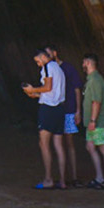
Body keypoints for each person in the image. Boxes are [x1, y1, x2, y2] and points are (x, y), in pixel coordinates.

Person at [22, 48, 67, 189]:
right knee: (59, 145)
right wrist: (34, 95)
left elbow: (47, 87)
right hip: (60, 109)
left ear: (43, 57)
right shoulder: (59, 69)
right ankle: (63, 181)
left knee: (44, 144)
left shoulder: (48, 67)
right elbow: (52, 92)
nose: (38, 64)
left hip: (48, 110)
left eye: (38, 61)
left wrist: (33, 89)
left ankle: (48, 179)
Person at [49, 45, 84, 187]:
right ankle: (64, 176)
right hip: (58, 110)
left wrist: (78, 110)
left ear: (55, 53)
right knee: (59, 144)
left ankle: (73, 176)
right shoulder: (51, 69)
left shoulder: (68, 68)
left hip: (68, 110)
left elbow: (77, 89)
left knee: (68, 144)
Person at [81, 53, 104, 189]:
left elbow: (96, 102)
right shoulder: (91, 79)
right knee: (90, 147)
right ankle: (99, 177)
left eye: (83, 62)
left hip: (98, 121)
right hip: (92, 122)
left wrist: (93, 120)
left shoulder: (95, 80)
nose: (82, 64)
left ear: (88, 62)